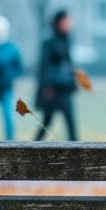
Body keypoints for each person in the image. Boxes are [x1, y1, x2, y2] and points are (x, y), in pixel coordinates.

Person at [34, 10, 78, 141]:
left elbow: (68, 64)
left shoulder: (66, 39)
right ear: (59, 22)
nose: (70, 24)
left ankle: (77, 150)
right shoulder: (50, 40)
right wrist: (47, 87)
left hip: (64, 87)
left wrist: (73, 82)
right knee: (48, 122)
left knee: (70, 121)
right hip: (53, 89)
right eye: (67, 21)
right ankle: (32, 148)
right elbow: (45, 65)